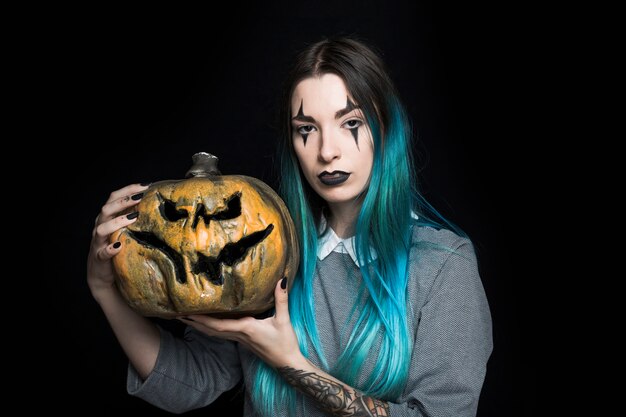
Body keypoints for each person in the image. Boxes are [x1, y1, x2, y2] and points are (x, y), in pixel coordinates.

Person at [87, 36, 492, 417]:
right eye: (307, 129)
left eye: (350, 123)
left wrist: (289, 361)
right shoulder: (264, 254)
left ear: (385, 129)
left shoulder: (442, 265)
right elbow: (193, 381)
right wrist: (106, 290)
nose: (327, 151)